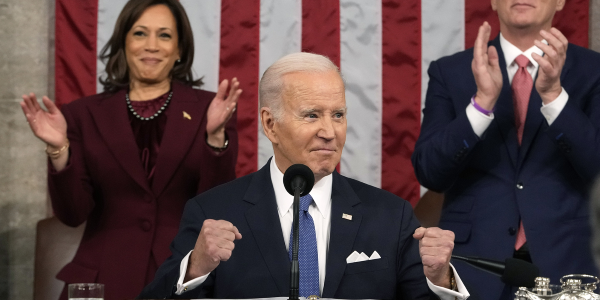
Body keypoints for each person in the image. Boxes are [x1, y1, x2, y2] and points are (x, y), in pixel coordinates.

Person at [138, 52, 470, 299]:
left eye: (338, 115)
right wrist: (195, 267)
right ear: (270, 124)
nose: (329, 131)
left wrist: (441, 279)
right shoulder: (214, 212)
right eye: (311, 115)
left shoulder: (390, 215)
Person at [20, 1, 241, 299]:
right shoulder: (81, 115)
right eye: (140, 33)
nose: (151, 45)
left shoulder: (210, 110)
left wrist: (215, 138)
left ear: (179, 49)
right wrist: (59, 149)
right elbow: (72, 214)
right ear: (124, 43)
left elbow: (216, 208)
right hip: (103, 279)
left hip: (182, 276)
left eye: (164, 35)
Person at [412, 0, 600, 298]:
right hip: (474, 266)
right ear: (493, 2)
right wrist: (481, 104)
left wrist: (553, 96)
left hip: (568, 264)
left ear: (561, 2)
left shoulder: (593, 71)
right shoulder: (450, 71)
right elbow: (430, 173)